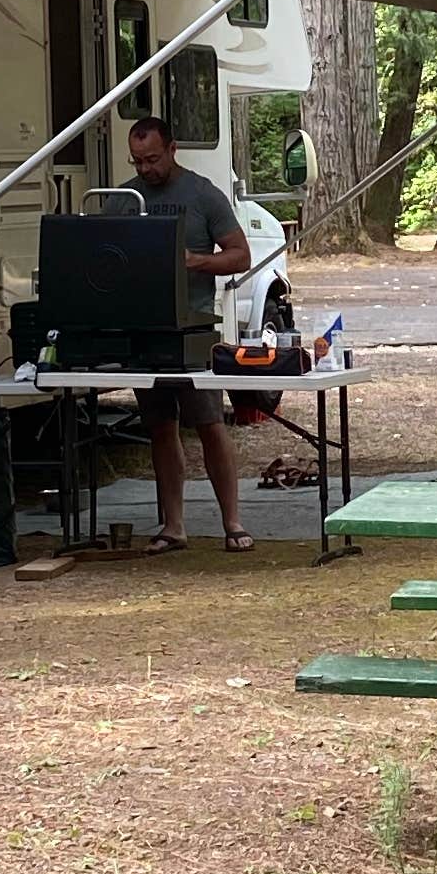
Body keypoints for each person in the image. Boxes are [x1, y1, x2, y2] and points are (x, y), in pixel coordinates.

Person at [123, 111, 253, 551]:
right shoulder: (123, 200)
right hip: (145, 331)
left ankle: (232, 523)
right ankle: (172, 526)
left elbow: (240, 256)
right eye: (138, 161)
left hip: (194, 329)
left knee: (210, 423)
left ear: (173, 149)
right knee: (161, 426)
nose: (146, 169)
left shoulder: (202, 195)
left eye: (153, 159)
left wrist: (196, 260)